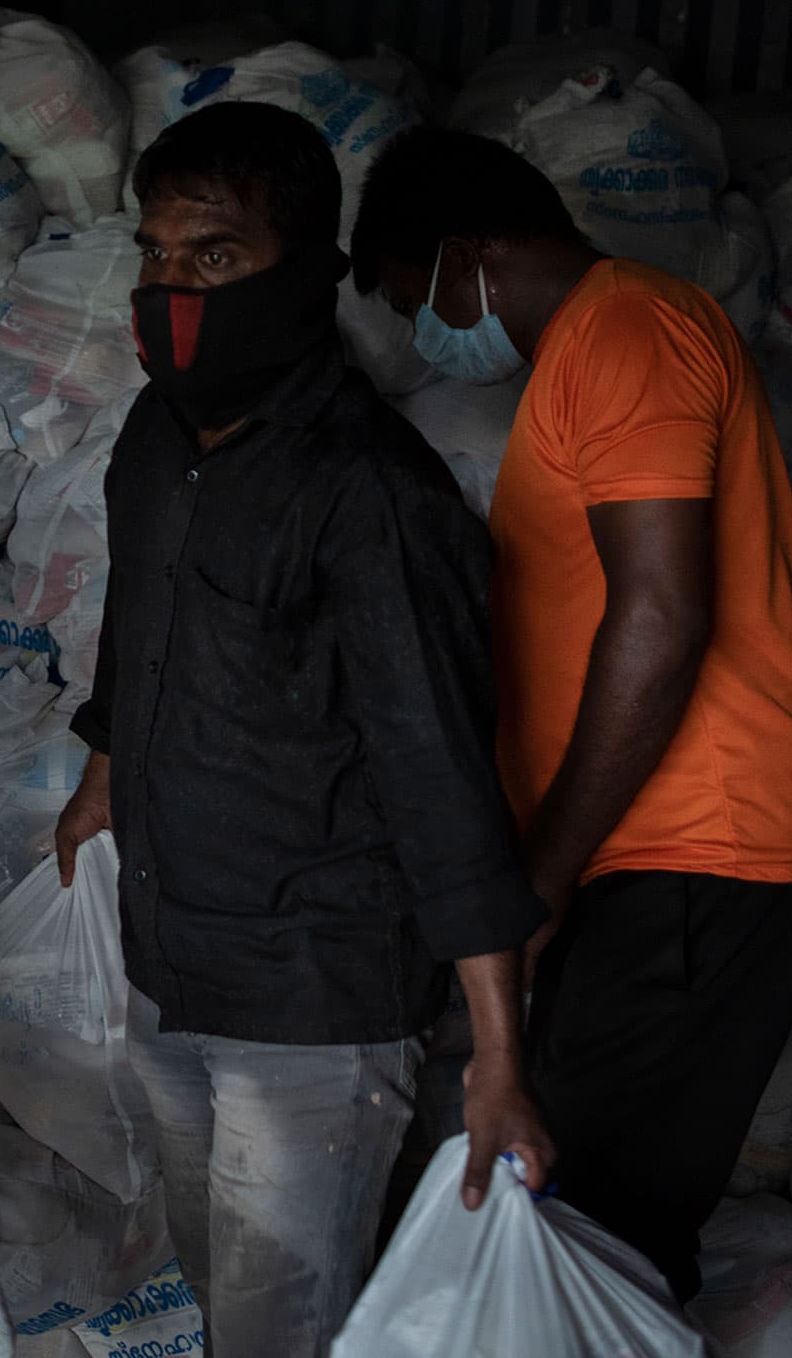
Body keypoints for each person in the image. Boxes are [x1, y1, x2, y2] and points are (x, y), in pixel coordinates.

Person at [51, 102, 555, 1357]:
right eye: (156, 255)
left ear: (309, 271)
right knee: (221, 1298)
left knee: (284, 1330)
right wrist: (104, 773)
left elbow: (440, 771)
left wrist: (497, 1054)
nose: (173, 287)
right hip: (169, 954)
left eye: (214, 256)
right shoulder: (153, 443)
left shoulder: (369, 490)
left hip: (314, 996)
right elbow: (138, 624)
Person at [351, 126, 792, 1301]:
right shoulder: (590, 349)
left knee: (595, 1245)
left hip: (703, 856)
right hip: (660, 861)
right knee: (578, 1214)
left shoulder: (627, 331)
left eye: (411, 296)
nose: (422, 330)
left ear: (469, 255)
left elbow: (660, 616)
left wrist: (543, 874)